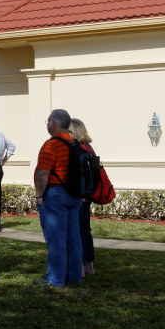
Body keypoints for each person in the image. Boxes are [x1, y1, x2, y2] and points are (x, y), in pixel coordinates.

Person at [34, 109, 84, 288]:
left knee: (56, 239)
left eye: (48, 122)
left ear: (53, 124)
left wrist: (39, 195)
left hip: (56, 194)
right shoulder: (75, 144)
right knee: (74, 237)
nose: (47, 125)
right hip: (74, 195)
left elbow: (42, 172)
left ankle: (55, 279)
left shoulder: (51, 145)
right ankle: (75, 276)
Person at [69, 118, 98, 276]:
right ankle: (90, 266)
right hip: (88, 195)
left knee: (76, 231)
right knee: (86, 231)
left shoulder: (75, 148)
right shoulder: (89, 148)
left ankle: (79, 267)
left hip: (76, 195)